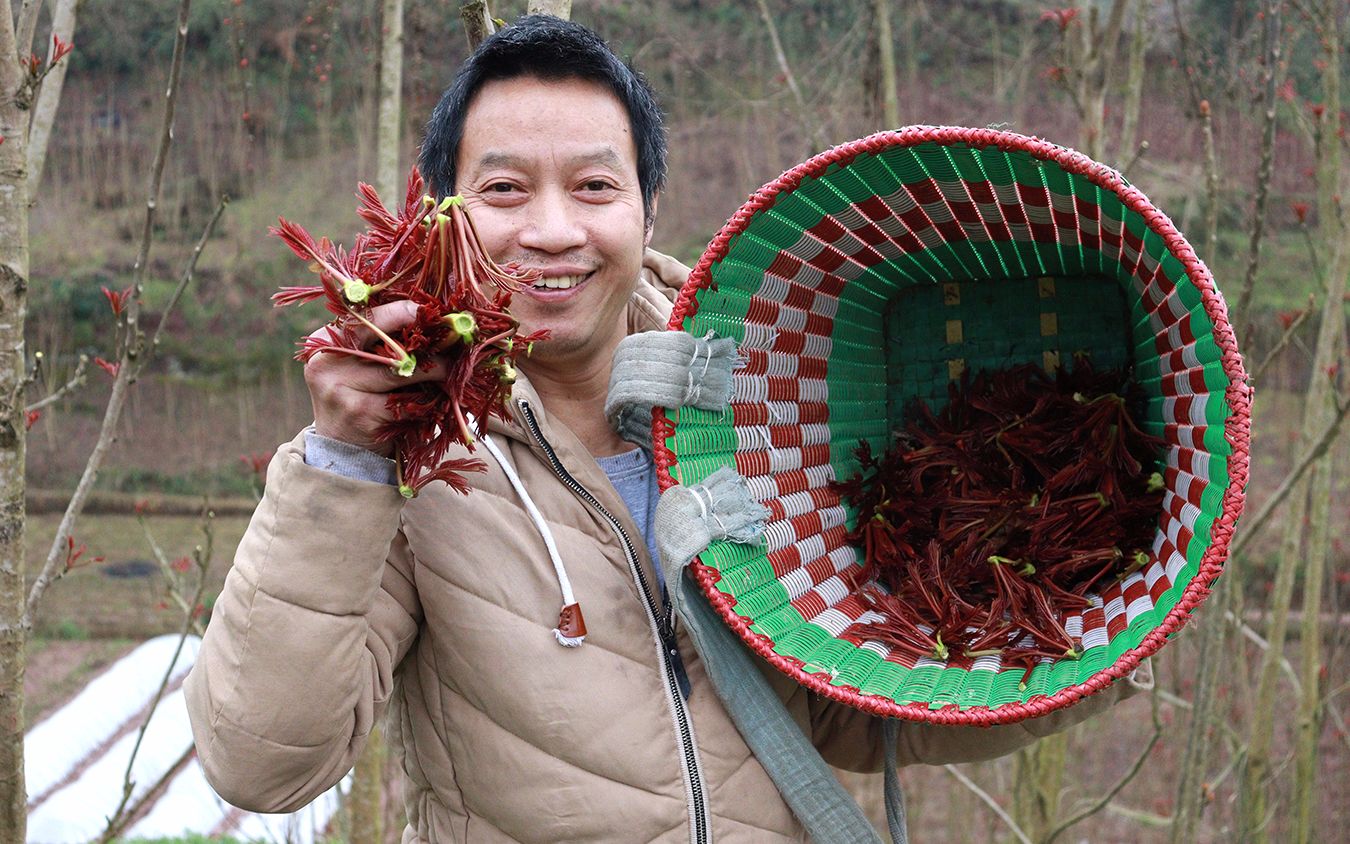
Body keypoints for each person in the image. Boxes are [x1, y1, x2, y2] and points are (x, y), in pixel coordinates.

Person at [185, 15, 1139, 843]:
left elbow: (846, 716)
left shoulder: (762, 400)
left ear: (647, 209)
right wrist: (344, 463)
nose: (553, 231)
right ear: (444, 217)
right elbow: (261, 766)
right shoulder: (416, 461)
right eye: (505, 190)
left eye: (596, 188)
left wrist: (1099, 648)